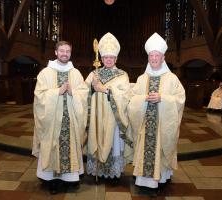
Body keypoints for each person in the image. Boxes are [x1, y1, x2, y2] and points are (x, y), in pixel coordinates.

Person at [128, 32, 185, 190]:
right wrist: (143, 99)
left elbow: (180, 98)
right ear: (148, 58)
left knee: (161, 149)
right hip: (145, 126)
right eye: (151, 55)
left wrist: (163, 98)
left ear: (163, 58)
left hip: (162, 126)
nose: (153, 58)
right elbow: (132, 99)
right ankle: (144, 181)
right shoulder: (142, 79)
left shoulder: (172, 78)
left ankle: (162, 178)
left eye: (157, 55)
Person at [32, 41, 89, 194]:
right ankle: (52, 180)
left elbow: (84, 93)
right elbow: (39, 95)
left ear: (70, 53)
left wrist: (73, 93)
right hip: (51, 121)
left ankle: (70, 179)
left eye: (68, 51)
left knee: (71, 146)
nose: (65, 54)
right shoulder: (45, 73)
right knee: (53, 147)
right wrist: (57, 91)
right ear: (56, 52)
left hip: (71, 120)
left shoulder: (75, 73)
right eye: (62, 51)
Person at [85, 32, 132, 183]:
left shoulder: (122, 75)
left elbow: (125, 96)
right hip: (97, 117)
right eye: (106, 57)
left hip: (113, 118)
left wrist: (105, 90)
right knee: (96, 138)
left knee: (113, 143)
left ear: (116, 58)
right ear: (101, 59)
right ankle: (97, 170)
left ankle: (114, 173)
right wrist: (92, 88)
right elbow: (83, 93)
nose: (109, 60)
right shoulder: (94, 74)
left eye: (111, 57)